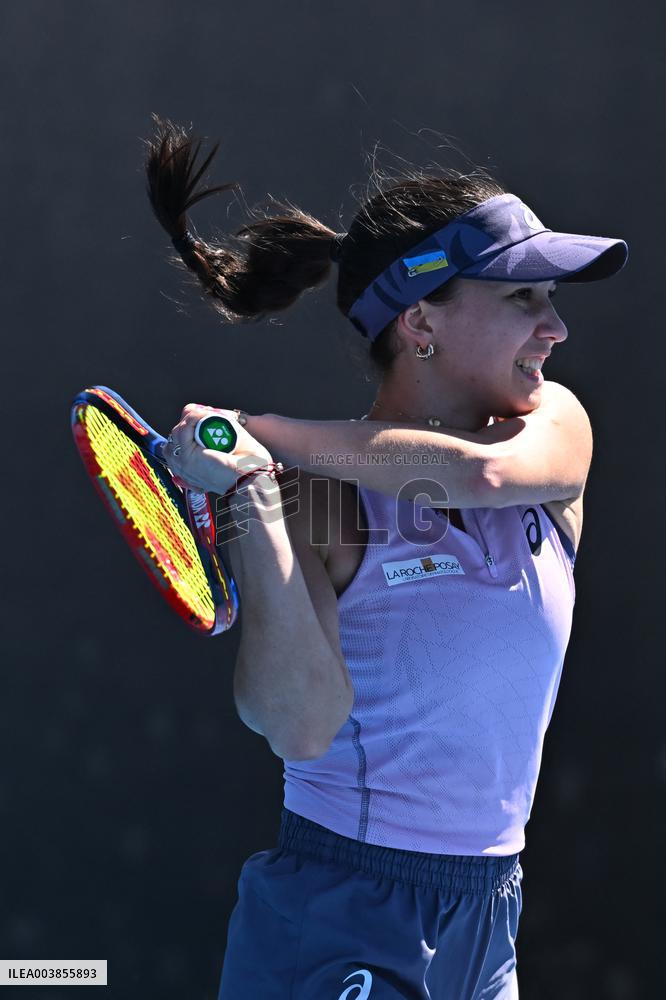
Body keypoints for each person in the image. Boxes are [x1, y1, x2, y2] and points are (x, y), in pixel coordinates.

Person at [144, 116, 628, 999]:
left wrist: (257, 433)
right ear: (420, 320)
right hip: (340, 916)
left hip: (489, 919)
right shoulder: (314, 502)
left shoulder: (555, 431)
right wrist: (255, 491)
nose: (555, 327)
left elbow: (479, 475)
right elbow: (299, 725)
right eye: (523, 296)